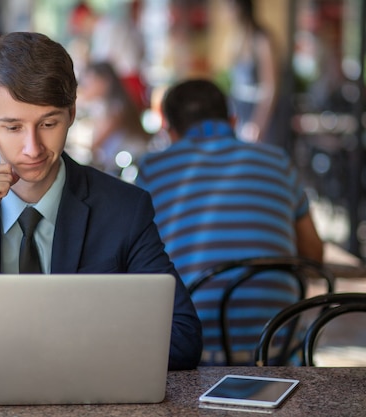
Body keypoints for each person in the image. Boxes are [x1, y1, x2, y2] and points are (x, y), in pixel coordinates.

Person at [0, 32, 202, 371]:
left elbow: (183, 339)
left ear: (72, 112)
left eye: (48, 123)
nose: (33, 148)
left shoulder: (124, 208)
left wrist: (59, 348)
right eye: (13, 127)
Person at [136, 79, 323, 365]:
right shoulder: (278, 161)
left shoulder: (152, 169)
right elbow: (313, 255)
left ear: (169, 131)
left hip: (191, 359)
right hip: (277, 353)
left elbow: (138, 268)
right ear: (233, 121)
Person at [77, 61, 151, 177]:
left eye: (90, 81)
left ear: (105, 81)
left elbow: (96, 143)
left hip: (131, 167)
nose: (85, 87)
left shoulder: (116, 108)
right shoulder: (106, 106)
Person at [222, 0, 278, 143]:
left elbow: (270, 87)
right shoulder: (236, 38)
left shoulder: (261, 39)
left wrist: (258, 123)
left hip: (256, 113)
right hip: (239, 110)